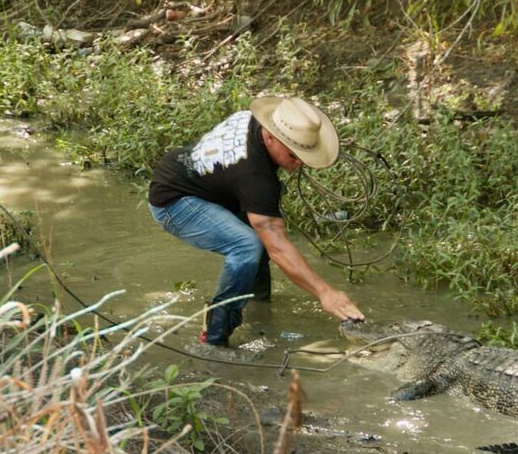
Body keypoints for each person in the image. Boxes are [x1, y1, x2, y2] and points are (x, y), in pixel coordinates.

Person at [147, 96, 365, 347]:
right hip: (174, 201)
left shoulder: (253, 121)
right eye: (293, 155)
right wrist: (326, 293)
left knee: (258, 237)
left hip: (196, 179)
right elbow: (278, 247)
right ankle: (214, 337)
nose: (299, 163)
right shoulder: (255, 176)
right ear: (271, 137)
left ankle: (259, 307)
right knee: (247, 245)